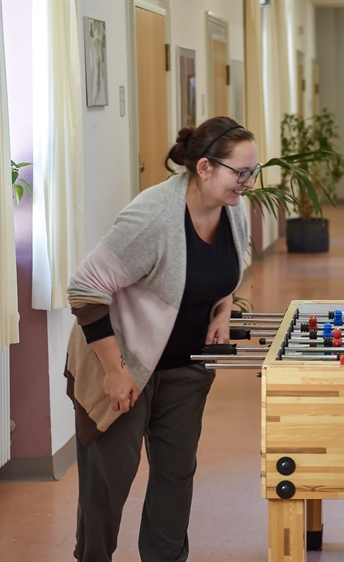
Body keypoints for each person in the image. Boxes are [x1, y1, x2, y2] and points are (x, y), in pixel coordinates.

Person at [64, 116, 254, 561]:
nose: (247, 183)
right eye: (239, 172)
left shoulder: (232, 207)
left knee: (175, 477)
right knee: (109, 484)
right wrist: (114, 371)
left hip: (186, 366)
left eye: (252, 171)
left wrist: (223, 311)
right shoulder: (152, 217)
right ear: (204, 168)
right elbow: (85, 289)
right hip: (122, 363)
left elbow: (232, 264)